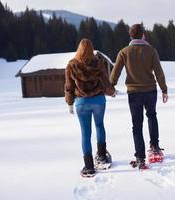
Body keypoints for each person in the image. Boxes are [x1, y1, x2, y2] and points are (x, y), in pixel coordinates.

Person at [110, 24, 168, 169]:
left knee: (137, 125)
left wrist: (111, 86)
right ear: (143, 35)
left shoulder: (124, 52)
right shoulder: (151, 50)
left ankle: (140, 158)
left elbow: (114, 73)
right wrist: (164, 89)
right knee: (152, 116)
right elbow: (159, 72)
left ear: (130, 36)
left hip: (134, 93)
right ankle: (155, 146)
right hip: (150, 91)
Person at [65, 39, 116, 177]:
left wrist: (70, 103)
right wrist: (112, 91)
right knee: (99, 126)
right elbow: (106, 81)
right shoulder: (98, 63)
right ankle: (101, 157)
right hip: (99, 100)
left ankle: (88, 167)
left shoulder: (72, 65)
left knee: (85, 133)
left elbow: (69, 87)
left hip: (81, 103)